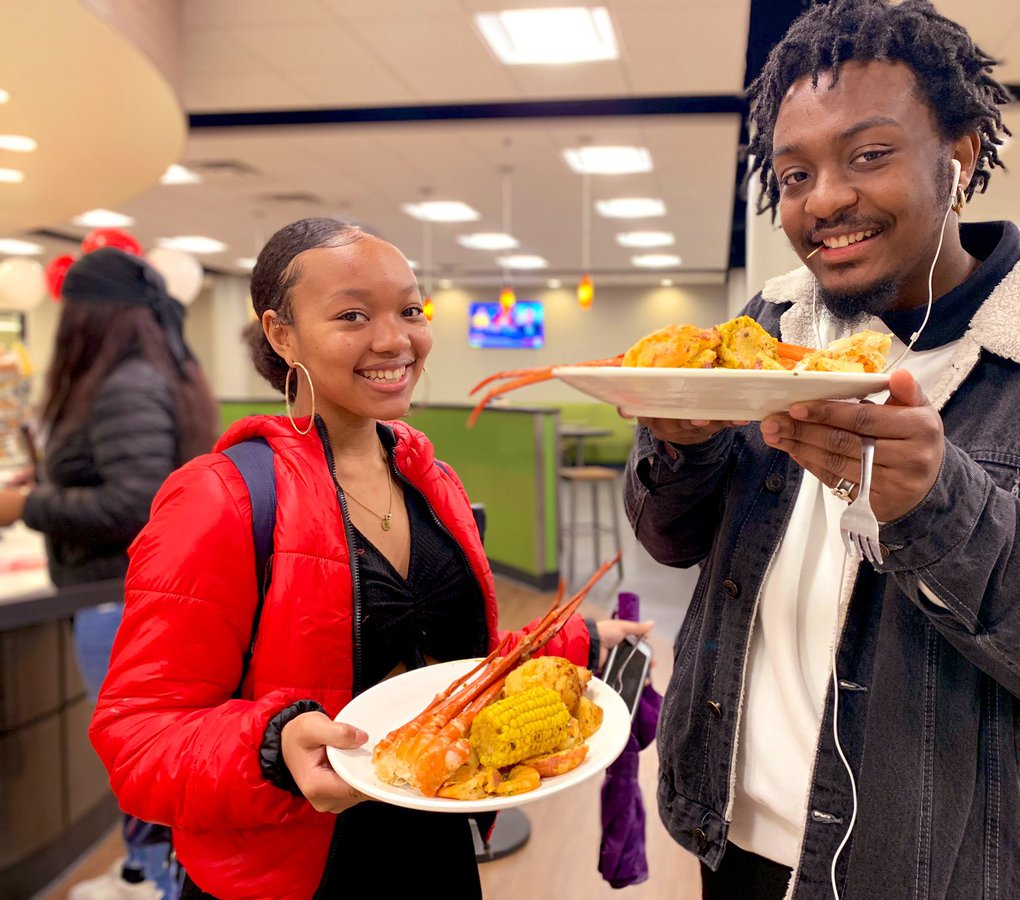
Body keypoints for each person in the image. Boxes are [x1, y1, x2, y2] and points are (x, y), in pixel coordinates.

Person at [624, 2, 1020, 898]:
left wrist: (940, 511)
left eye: (868, 155)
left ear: (961, 156)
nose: (824, 200)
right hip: (728, 843)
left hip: (953, 875)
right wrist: (680, 444)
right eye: (794, 173)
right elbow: (674, 540)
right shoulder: (770, 329)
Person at [88, 217, 650, 899]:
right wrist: (273, 750)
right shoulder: (222, 499)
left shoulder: (429, 480)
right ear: (280, 333)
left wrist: (581, 640)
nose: (396, 339)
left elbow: (442, 663)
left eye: (411, 310)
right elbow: (137, 738)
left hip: (434, 837)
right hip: (293, 870)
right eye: (352, 314)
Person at [0, 247, 216, 899]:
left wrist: (23, 504)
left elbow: (135, 500)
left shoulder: (125, 382)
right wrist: (49, 481)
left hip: (121, 601)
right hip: (138, 597)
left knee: (138, 756)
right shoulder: (158, 369)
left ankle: (156, 879)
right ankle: (143, 870)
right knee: (146, 753)